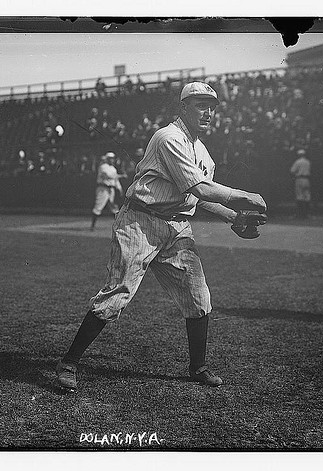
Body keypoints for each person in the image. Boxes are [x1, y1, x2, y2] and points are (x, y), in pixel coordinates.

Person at [56, 82, 267, 391]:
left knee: (199, 298)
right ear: (183, 108)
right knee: (116, 297)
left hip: (177, 227)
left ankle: (198, 367)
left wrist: (233, 218)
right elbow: (200, 188)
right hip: (140, 222)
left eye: (212, 106)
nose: (208, 111)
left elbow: (199, 197)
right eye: (199, 105)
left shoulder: (202, 150)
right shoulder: (169, 137)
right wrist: (244, 197)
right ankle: (69, 361)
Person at [90, 152, 123, 230]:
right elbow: (108, 175)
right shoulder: (103, 167)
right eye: (110, 159)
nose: (112, 160)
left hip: (111, 189)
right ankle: (92, 226)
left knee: (113, 207)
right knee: (98, 206)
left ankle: (119, 226)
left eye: (113, 158)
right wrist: (121, 175)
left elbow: (115, 180)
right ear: (107, 159)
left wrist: (120, 188)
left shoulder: (113, 168)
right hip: (103, 189)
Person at [289, 149, 311, 219]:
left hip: (299, 179)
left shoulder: (298, 162)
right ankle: (306, 214)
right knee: (307, 196)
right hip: (307, 179)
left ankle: (300, 214)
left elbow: (292, 171)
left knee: (299, 196)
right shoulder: (308, 162)